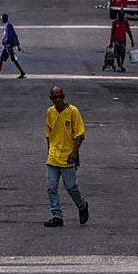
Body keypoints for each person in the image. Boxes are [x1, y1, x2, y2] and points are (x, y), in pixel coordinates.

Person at [43, 86, 89, 227]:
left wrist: (74, 154)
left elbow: (80, 135)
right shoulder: (50, 112)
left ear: (64, 96)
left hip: (68, 156)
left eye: (60, 97)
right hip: (53, 156)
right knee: (51, 187)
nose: (58, 100)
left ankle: (82, 206)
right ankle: (57, 215)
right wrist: (49, 151)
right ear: (51, 99)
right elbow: (48, 134)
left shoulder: (73, 111)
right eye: (55, 98)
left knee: (70, 187)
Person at [0, 13, 25, 79]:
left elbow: (14, 36)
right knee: (1, 59)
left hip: (8, 46)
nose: (1, 20)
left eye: (1, 19)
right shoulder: (7, 25)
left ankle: (22, 72)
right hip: (5, 46)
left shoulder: (9, 26)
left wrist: (17, 46)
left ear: (4, 18)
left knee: (13, 59)